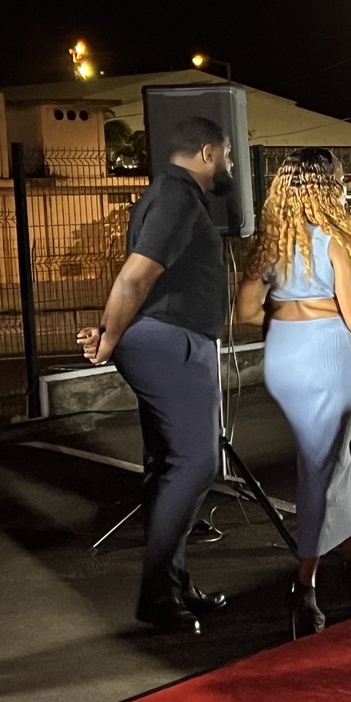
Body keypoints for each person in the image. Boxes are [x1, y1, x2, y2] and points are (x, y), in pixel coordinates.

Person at [76, 116, 235, 634]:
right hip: (173, 342)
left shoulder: (163, 194)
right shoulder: (177, 197)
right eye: (228, 155)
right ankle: (158, 595)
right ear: (207, 153)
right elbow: (136, 276)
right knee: (196, 463)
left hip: (164, 338)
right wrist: (108, 337)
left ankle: (173, 585)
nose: (231, 165)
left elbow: (142, 279)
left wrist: (109, 330)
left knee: (167, 464)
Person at [236, 147, 351, 637]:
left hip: (285, 355)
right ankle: (303, 586)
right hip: (330, 357)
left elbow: (247, 311)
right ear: (329, 186)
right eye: (340, 180)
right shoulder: (338, 241)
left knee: (332, 462)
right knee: (319, 469)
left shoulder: (271, 242)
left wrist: (294, 310)